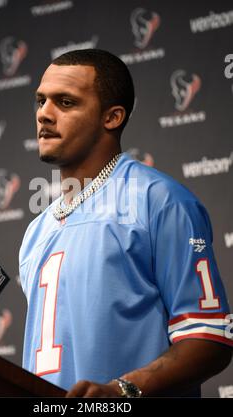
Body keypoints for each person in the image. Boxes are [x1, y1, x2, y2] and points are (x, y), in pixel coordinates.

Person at [19, 49, 232, 397]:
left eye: (66, 102)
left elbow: (209, 338)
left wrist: (123, 392)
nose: (44, 114)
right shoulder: (36, 230)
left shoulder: (160, 201)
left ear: (112, 117)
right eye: (41, 101)